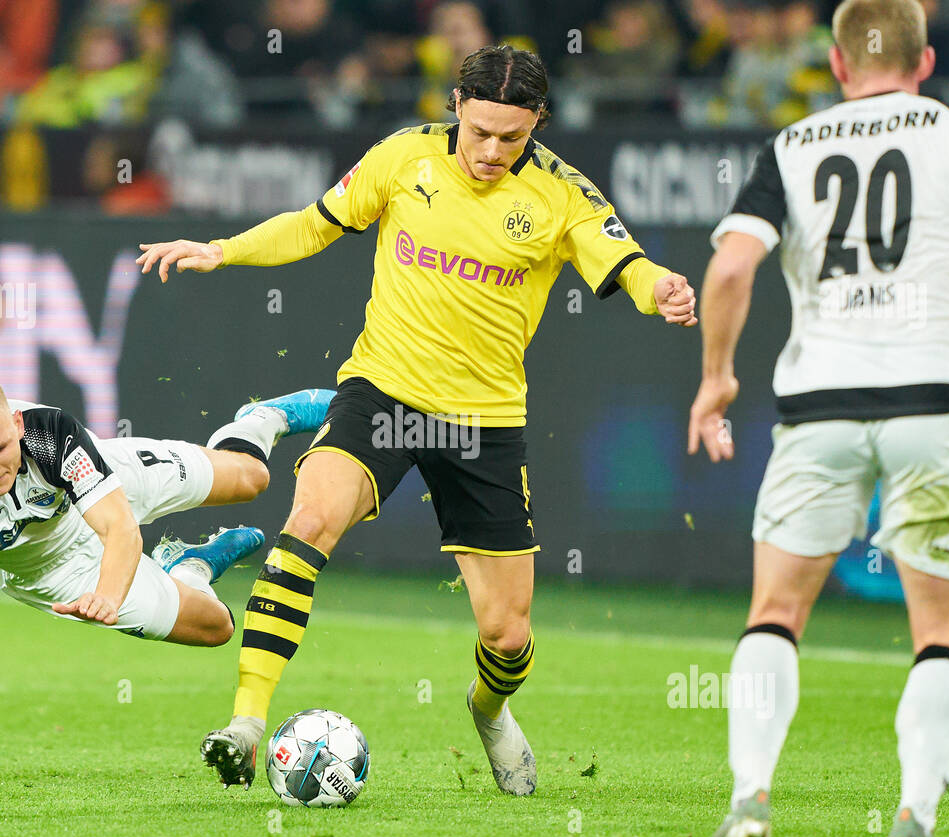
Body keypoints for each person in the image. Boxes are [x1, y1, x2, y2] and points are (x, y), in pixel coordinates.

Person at [136, 44, 698, 796]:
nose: (493, 151)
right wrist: (221, 250)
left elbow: (625, 263)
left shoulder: (564, 194)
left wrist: (662, 289)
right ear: (455, 107)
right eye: (480, 132)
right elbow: (314, 224)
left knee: (508, 635)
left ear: (538, 123)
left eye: (513, 137)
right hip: (384, 392)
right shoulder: (404, 157)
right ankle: (244, 720)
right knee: (309, 518)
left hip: (483, 422)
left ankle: (488, 710)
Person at [686, 0, 949, 837]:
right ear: (924, 64)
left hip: (818, 407)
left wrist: (716, 379)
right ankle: (911, 824)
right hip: (934, 400)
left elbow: (733, 263)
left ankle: (749, 799)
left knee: (774, 613)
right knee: (941, 631)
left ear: (839, 66)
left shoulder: (792, 145)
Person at [0, 364, 334, 723]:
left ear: (16, 422)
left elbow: (118, 528)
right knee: (217, 627)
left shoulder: (50, 433)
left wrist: (109, 595)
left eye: (0, 448)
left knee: (250, 478)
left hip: (110, 486)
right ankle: (188, 567)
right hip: (54, 573)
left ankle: (262, 419)